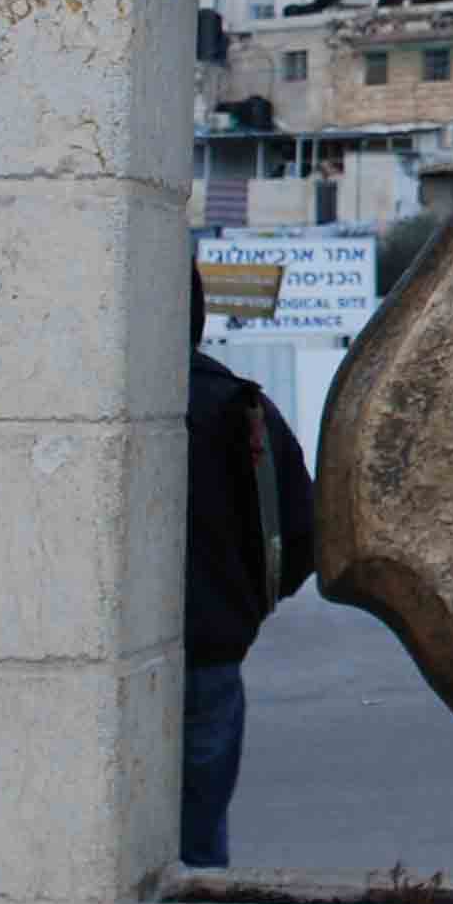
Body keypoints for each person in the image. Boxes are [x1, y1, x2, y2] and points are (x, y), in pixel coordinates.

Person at [184, 266, 314, 868]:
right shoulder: (241, 408)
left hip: (99, 669)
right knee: (198, 843)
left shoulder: (95, 410)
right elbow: (303, 535)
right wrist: (246, 605)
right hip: (210, 657)